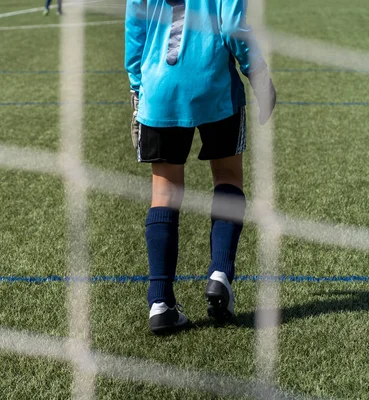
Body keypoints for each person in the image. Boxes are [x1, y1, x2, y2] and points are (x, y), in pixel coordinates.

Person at [125, 0, 276, 334]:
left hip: (159, 85)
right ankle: (220, 274)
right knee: (228, 178)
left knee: (165, 191)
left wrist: (137, 87)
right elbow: (233, 24)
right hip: (215, 86)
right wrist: (258, 73)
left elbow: (135, 24)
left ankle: (160, 302)